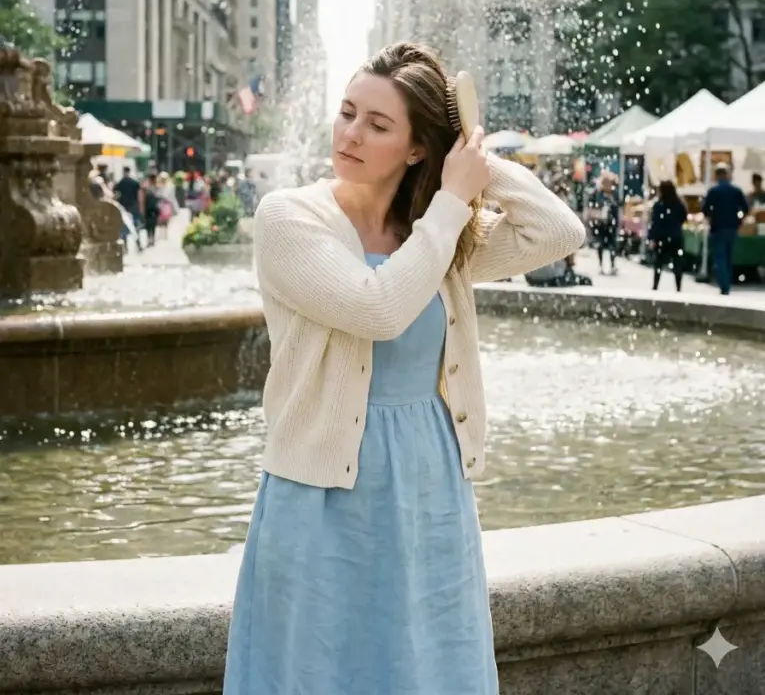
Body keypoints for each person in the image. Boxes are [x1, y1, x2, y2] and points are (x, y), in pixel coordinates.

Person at [223, 42, 586, 695]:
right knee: (316, 672)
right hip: (321, 499)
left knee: (430, 670)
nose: (350, 134)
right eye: (346, 112)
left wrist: (474, 163)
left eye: (377, 124)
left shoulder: (438, 236)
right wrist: (451, 201)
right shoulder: (290, 218)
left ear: (418, 149)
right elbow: (379, 307)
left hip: (429, 492)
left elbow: (557, 234)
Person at [702, 163, 749, 295]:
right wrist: (739, 219)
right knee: (729, 256)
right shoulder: (736, 191)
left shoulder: (713, 191)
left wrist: (711, 216)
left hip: (718, 227)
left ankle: (724, 285)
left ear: (717, 175)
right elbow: (745, 208)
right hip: (732, 227)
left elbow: (705, 209)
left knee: (720, 257)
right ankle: (727, 282)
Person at [648, 180, 688, 292]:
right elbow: (684, 218)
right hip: (676, 236)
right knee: (677, 262)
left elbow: (655, 222)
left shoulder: (658, 205)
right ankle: (678, 286)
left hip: (661, 237)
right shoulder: (679, 204)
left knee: (659, 262)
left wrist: (652, 238)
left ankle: (655, 285)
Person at [586, 171, 620, 275]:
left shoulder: (614, 194)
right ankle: (601, 265)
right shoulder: (597, 194)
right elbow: (591, 206)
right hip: (600, 223)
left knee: (612, 245)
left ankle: (612, 265)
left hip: (611, 223)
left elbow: (617, 207)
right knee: (600, 244)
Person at [113, 165, 143, 252]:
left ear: (123, 171)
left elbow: (116, 194)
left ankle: (125, 246)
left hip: (124, 206)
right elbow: (139, 195)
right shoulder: (134, 182)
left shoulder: (120, 182)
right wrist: (140, 207)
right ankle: (138, 243)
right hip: (133, 205)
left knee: (124, 226)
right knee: (135, 225)